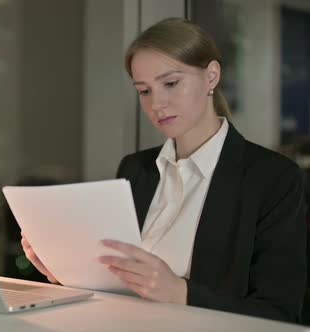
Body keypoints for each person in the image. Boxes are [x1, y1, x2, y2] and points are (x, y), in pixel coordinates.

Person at [20, 17, 307, 323]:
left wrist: (180, 293)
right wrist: (66, 270)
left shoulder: (272, 178)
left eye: (171, 83)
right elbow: (118, 285)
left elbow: (280, 314)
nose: (157, 103)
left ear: (211, 76)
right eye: (144, 91)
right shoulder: (135, 168)